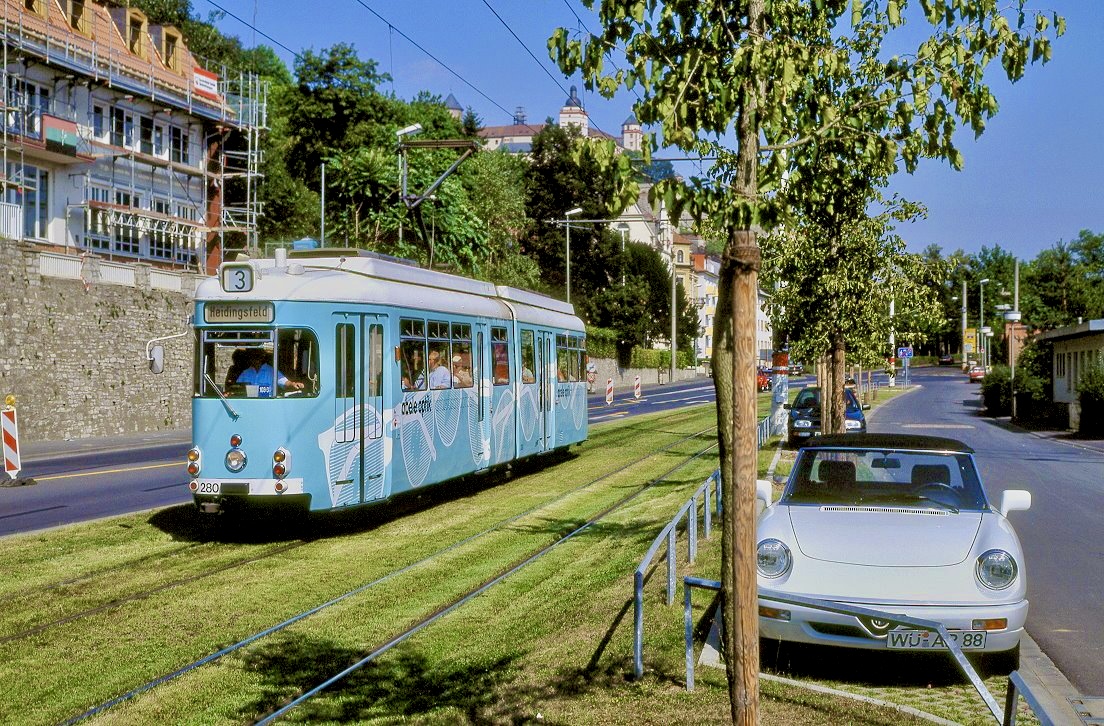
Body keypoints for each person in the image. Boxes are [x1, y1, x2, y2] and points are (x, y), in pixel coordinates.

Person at [236, 350, 304, 397]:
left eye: (256, 356)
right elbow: (236, 388)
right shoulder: (245, 373)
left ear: (262, 358)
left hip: (267, 404)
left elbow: (285, 382)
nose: (254, 359)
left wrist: (293, 384)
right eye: (252, 357)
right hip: (247, 403)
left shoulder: (272, 371)